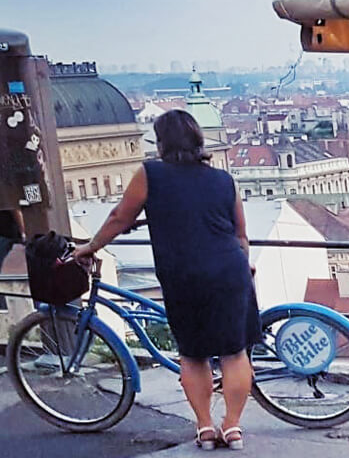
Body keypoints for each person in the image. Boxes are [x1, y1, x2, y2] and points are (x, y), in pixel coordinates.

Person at [74, 109, 259, 451]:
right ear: (198, 140)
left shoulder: (151, 174)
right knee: (234, 353)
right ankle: (232, 427)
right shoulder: (224, 180)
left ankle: (205, 427)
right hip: (228, 270)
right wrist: (242, 266)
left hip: (183, 273)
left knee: (192, 354)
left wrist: (90, 245)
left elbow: (119, 217)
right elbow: (241, 235)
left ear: (161, 143)